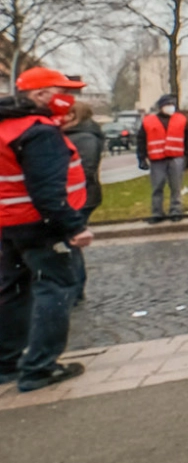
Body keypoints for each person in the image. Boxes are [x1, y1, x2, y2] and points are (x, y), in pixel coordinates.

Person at [0, 68, 91, 392]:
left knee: (14, 290)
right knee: (56, 288)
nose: (69, 99)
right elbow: (47, 191)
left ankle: (6, 363)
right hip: (42, 225)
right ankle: (39, 368)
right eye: (62, 91)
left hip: (8, 223)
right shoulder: (39, 131)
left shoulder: (6, 124)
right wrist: (74, 227)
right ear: (40, 96)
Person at [62, 101, 104, 302]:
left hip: (81, 196)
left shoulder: (85, 137)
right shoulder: (79, 135)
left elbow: (86, 169)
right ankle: (74, 288)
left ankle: (76, 289)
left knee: (72, 242)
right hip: (78, 195)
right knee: (70, 243)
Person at [137, 93, 187, 223]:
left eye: (172, 104)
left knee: (176, 186)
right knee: (157, 187)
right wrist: (142, 158)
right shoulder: (148, 121)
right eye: (168, 105)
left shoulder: (181, 120)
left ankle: (176, 210)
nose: (171, 107)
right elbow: (141, 140)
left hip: (176, 157)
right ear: (161, 107)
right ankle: (157, 212)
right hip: (157, 158)